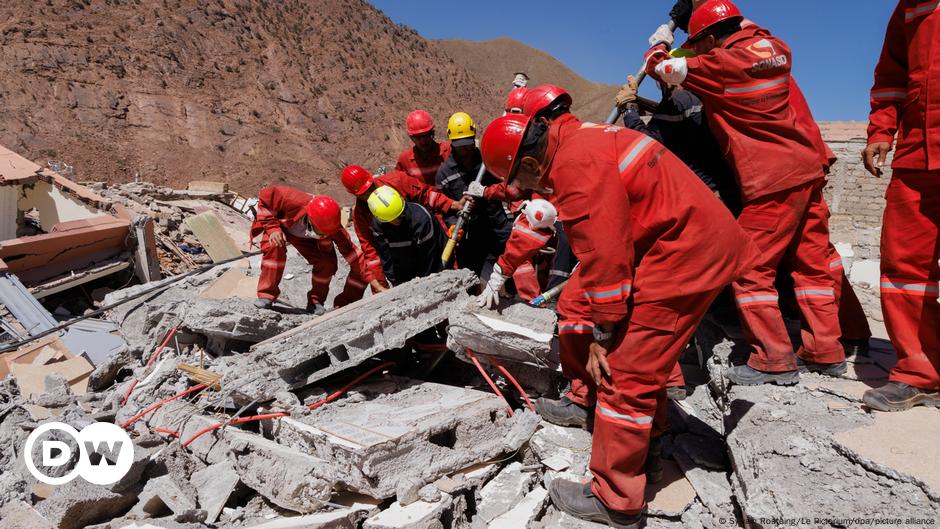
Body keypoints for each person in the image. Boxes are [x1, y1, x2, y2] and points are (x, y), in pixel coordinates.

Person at [480, 112, 758, 528]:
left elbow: (606, 254)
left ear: (535, 165)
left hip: (685, 254)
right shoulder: (574, 138)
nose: (534, 191)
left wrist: (604, 330)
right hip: (681, 241)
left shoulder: (575, 170)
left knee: (623, 371)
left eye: (529, 181)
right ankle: (647, 451)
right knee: (612, 336)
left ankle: (616, 499)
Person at [646, 0, 845, 386]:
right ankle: (826, 351)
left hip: (771, 178)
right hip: (805, 168)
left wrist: (660, 42)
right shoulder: (775, 48)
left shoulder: (723, 63)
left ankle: (773, 359)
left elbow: (664, 68)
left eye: (700, 43)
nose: (699, 51)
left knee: (750, 266)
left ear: (713, 38)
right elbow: (748, 31)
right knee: (811, 265)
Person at [860, 0, 940, 412]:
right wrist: (881, 129)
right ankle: (920, 373)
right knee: (904, 269)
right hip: (916, 158)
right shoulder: (913, 5)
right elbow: (891, 75)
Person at [340, 164, 463, 292]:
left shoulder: (397, 181)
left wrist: (453, 204)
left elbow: (426, 195)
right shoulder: (361, 216)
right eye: (364, 194)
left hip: (425, 233)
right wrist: (382, 288)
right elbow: (372, 252)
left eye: (370, 188)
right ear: (355, 194)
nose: (370, 194)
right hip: (401, 250)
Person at [251, 188, 367, 315]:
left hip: (304, 238)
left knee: (326, 262)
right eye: (321, 232)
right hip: (281, 226)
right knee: (274, 246)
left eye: (326, 234)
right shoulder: (292, 199)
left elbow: (352, 253)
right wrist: (272, 228)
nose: (323, 236)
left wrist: (370, 276)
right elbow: (266, 197)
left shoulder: (334, 227)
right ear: (311, 219)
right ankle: (266, 295)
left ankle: (315, 302)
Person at [436, 111, 512, 278]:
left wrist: (486, 192)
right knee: (470, 275)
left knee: (511, 264)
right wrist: (454, 224)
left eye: (468, 143)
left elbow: (504, 185)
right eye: (459, 144)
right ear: (451, 142)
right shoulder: (444, 174)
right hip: (469, 232)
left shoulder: (487, 160)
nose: (464, 149)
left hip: (496, 223)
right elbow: (447, 208)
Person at [368, 186, 448, 285]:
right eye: (394, 218)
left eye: (400, 214)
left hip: (434, 265)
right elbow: (386, 258)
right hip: (405, 269)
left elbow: (430, 258)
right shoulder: (379, 226)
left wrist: (425, 284)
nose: (399, 219)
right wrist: (397, 284)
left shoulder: (421, 220)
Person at [395, 110, 451, 185]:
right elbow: (399, 184)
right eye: (418, 138)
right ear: (411, 138)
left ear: (432, 133)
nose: (423, 142)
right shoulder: (405, 160)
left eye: (426, 136)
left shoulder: (447, 151)